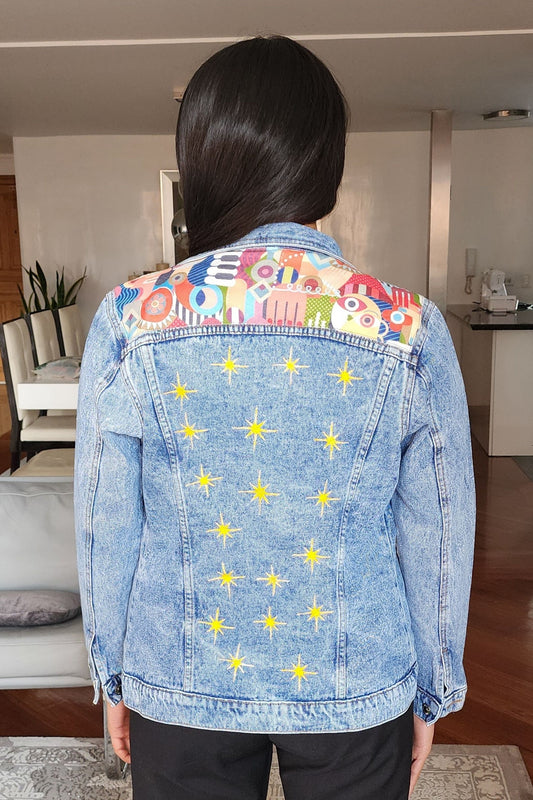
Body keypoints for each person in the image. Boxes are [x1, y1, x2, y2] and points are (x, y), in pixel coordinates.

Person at [75, 35, 475, 800]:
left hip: (179, 676)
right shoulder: (405, 328)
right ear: (326, 163)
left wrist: (113, 671)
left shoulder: (132, 318)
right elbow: (439, 531)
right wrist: (432, 687)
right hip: (354, 677)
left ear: (200, 159)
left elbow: (105, 522)